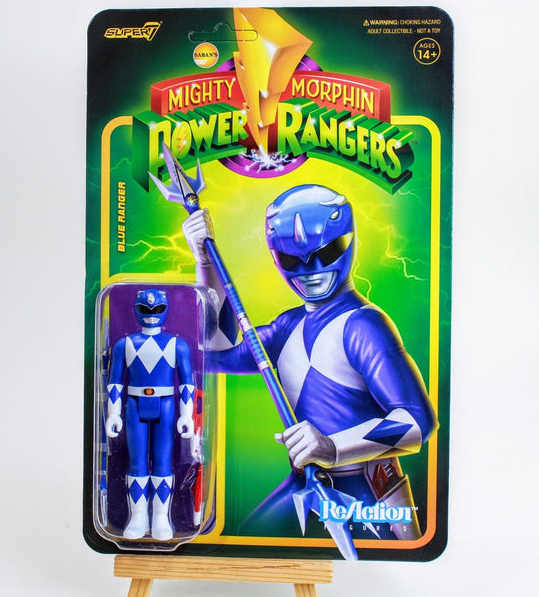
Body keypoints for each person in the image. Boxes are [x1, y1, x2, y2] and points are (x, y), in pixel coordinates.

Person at [182, 184, 438, 539]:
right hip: (306, 486)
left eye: (326, 253)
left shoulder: (363, 326)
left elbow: (417, 421)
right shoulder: (288, 326)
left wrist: (333, 447)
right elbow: (214, 354)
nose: (310, 271)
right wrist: (206, 263)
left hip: (369, 499)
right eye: (293, 260)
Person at [105, 289, 195, 541]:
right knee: (137, 462)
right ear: (136, 309)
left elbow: (187, 384)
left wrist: (186, 415)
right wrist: (114, 414)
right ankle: (138, 517)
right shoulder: (125, 344)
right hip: (134, 404)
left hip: (165, 405)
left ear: (166, 309)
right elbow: (115, 382)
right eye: (145, 309)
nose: (151, 313)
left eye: (157, 309)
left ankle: (160, 518)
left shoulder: (177, 345)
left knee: (163, 460)